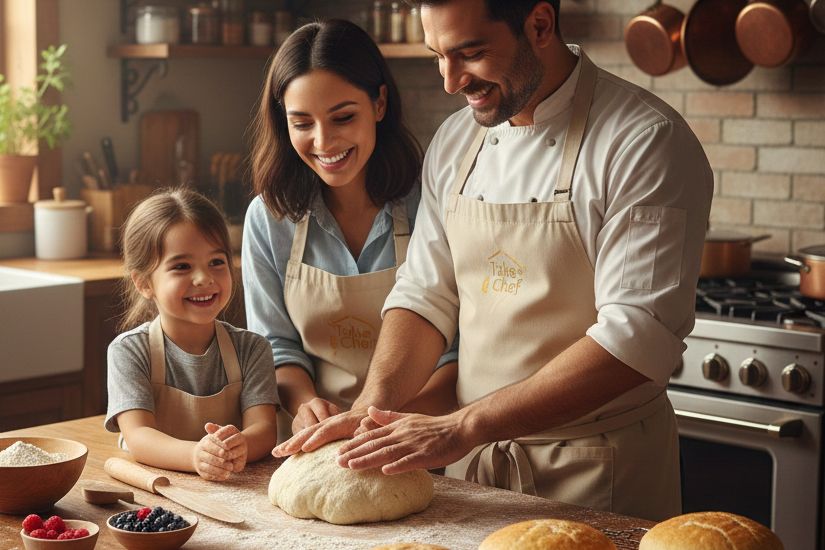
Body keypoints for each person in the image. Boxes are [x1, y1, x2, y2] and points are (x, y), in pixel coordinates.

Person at [273, 0, 713, 522]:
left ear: (540, 25)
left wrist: (463, 426)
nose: (450, 81)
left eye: (471, 54)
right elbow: (424, 295)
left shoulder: (641, 141)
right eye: (438, 55)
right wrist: (374, 408)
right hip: (473, 474)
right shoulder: (457, 141)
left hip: (597, 472)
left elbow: (636, 336)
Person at [243, 19, 458, 440]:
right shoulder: (269, 218)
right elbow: (275, 345)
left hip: (421, 434)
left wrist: (383, 427)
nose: (324, 142)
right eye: (302, 123)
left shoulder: (430, 205)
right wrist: (307, 407)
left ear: (379, 104)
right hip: (313, 441)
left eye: (342, 117)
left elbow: (456, 353)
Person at [104, 188, 279, 481]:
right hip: (161, 490)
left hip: (232, 486)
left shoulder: (252, 348)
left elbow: (264, 429)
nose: (204, 278)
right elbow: (138, 436)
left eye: (216, 262)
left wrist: (241, 446)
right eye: (182, 266)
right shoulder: (129, 351)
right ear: (144, 283)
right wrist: (195, 456)